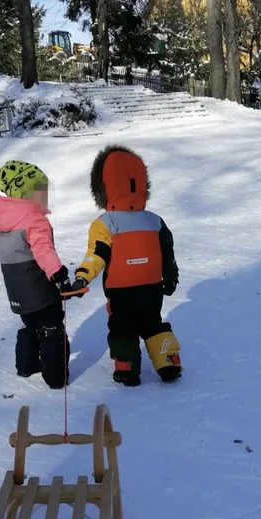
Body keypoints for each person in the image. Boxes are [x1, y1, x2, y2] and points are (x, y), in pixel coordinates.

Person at [69, 144, 183, 387]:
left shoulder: (105, 224)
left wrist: (82, 278)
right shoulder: (154, 221)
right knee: (152, 320)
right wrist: (170, 275)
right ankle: (168, 361)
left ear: (102, 188)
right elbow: (167, 251)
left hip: (120, 288)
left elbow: (97, 254)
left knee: (122, 325)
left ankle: (127, 368)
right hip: (152, 285)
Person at [0, 160, 72, 389]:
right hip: (40, 289)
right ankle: (56, 378)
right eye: (40, 190)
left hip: (17, 292)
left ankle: (26, 366)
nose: (44, 195)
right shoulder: (34, 220)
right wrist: (59, 275)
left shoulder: (3, 223)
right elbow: (43, 250)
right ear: (26, 193)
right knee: (51, 329)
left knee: (30, 326)